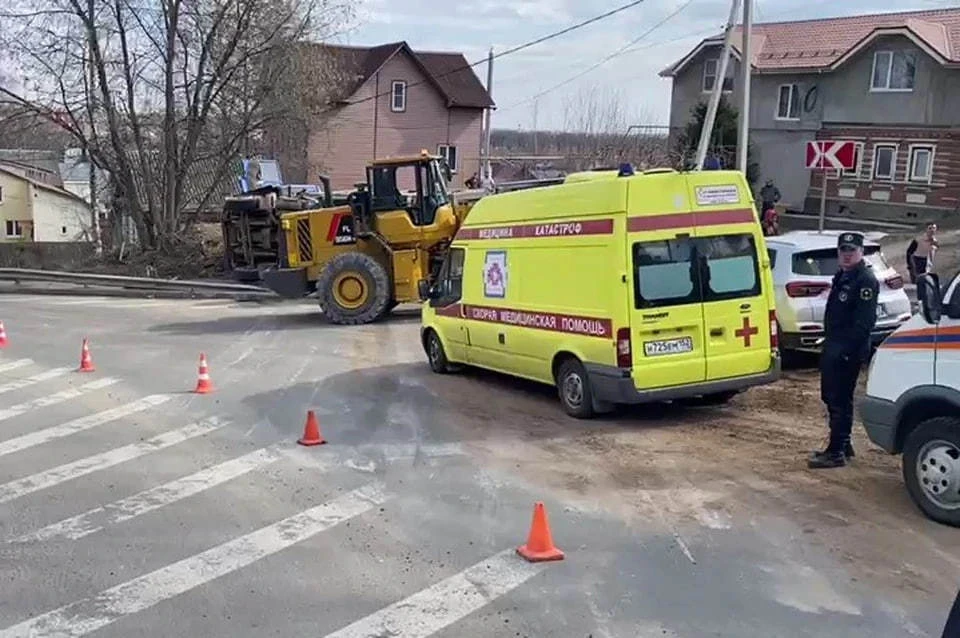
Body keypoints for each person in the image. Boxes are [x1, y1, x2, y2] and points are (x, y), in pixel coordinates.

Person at [809, 231, 879, 469]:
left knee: (838, 398)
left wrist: (847, 351)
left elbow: (864, 322)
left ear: (861, 252)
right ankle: (843, 444)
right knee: (834, 397)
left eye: (852, 251)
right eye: (843, 251)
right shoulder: (844, 275)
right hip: (835, 344)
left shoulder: (865, 280)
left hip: (846, 350)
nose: (847, 255)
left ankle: (836, 451)